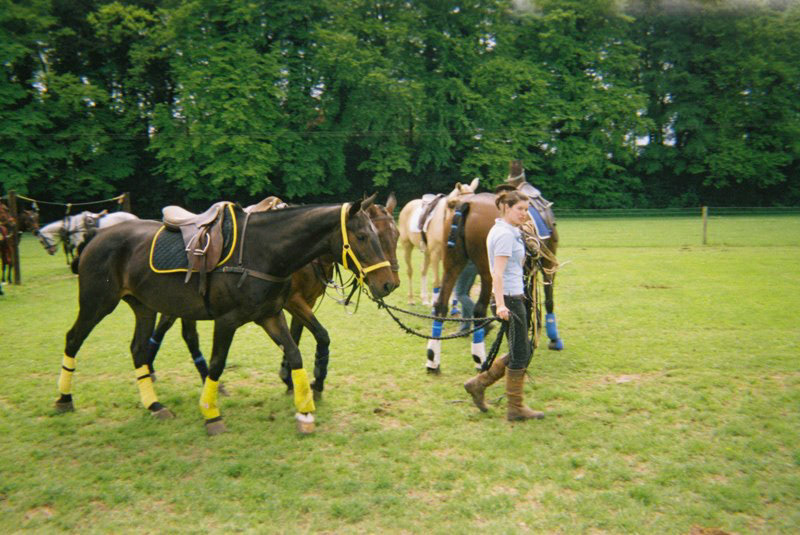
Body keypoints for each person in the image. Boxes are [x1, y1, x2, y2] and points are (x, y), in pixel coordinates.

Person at [463, 189, 544, 421]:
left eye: (527, 210)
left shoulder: (509, 231)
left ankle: (478, 384)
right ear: (506, 208)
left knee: (523, 349)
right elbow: (496, 274)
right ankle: (514, 407)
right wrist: (500, 305)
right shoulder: (505, 235)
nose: (525, 214)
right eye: (520, 209)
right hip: (508, 299)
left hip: (514, 296)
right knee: (521, 353)